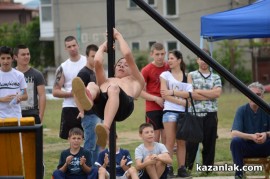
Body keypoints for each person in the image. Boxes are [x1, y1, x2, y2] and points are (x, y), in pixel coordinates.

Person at [72, 28, 145, 148]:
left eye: (126, 65)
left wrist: (118, 36)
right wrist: (104, 46)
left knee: (113, 88)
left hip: (123, 107)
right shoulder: (107, 80)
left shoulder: (137, 80)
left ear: (132, 69)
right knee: (92, 85)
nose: (122, 65)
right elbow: (97, 62)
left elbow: (127, 54)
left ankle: (105, 129)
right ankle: (88, 100)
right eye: (119, 64)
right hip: (101, 108)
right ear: (114, 67)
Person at [185, 48, 222, 172]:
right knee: (191, 144)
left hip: (211, 114)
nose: (204, 61)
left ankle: (207, 170)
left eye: (206, 59)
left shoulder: (216, 77)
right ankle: (187, 168)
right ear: (197, 60)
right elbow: (191, 94)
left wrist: (198, 91)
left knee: (209, 143)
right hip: (195, 113)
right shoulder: (191, 75)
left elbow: (217, 93)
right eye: (201, 58)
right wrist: (208, 93)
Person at [160, 50, 192, 178]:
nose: (169, 60)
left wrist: (172, 92)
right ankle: (168, 168)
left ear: (179, 60)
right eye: (169, 58)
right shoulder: (165, 75)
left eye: (172, 58)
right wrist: (183, 102)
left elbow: (190, 95)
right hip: (170, 112)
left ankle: (181, 168)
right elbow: (164, 94)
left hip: (183, 114)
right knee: (170, 141)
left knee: (182, 142)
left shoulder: (187, 75)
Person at [230, 82, 270, 179]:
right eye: (251, 94)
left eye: (258, 95)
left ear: (263, 96)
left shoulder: (268, 109)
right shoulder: (241, 110)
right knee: (235, 141)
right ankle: (239, 175)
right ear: (247, 95)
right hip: (247, 146)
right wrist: (251, 136)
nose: (254, 97)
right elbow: (234, 133)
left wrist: (266, 134)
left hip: (265, 146)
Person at [53, 35, 87, 139]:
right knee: (72, 140)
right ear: (65, 48)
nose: (72, 48)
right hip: (70, 107)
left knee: (89, 139)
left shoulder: (87, 62)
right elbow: (55, 91)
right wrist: (72, 93)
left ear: (78, 45)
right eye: (69, 46)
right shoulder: (63, 67)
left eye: (74, 45)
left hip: (87, 106)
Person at [77, 44, 101, 166]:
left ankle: (95, 172)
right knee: (90, 146)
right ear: (87, 57)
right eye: (92, 56)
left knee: (98, 146)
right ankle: (86, 171)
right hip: (89, 115)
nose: (95, 58)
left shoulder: (95, 72)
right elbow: (76, 93)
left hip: (97, 114)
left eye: (97, 56)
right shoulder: (83, 73)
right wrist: (81, 111)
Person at [140, 42, 169, 143]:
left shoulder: (169, 67)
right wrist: (156, 99)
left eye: (162, 54)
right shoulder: (146, 70)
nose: (160, 57)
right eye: (157, 54)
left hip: (169, 106)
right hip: (152, 108)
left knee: (167, 137)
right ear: (151, 54)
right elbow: (140, 92)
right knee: (154, 138)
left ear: (165, 53)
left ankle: (165, 159)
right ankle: (154, 159)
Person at [13, 44, 46, 124]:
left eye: (28, 54)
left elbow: (42, 95)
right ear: (15, 57)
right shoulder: (11, 74)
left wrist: (40, 116)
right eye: (23, 54)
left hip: (32, 114)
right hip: (14, 114)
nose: (26, 56)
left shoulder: (37, 74)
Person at [0, 46, 28, 119]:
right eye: (3, 58)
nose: (5, 61)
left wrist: (20, 97)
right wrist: (2, 99)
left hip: (16, 117)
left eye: (8, 58)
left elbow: (25, 95)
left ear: (12, 59)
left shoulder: (19, 75)